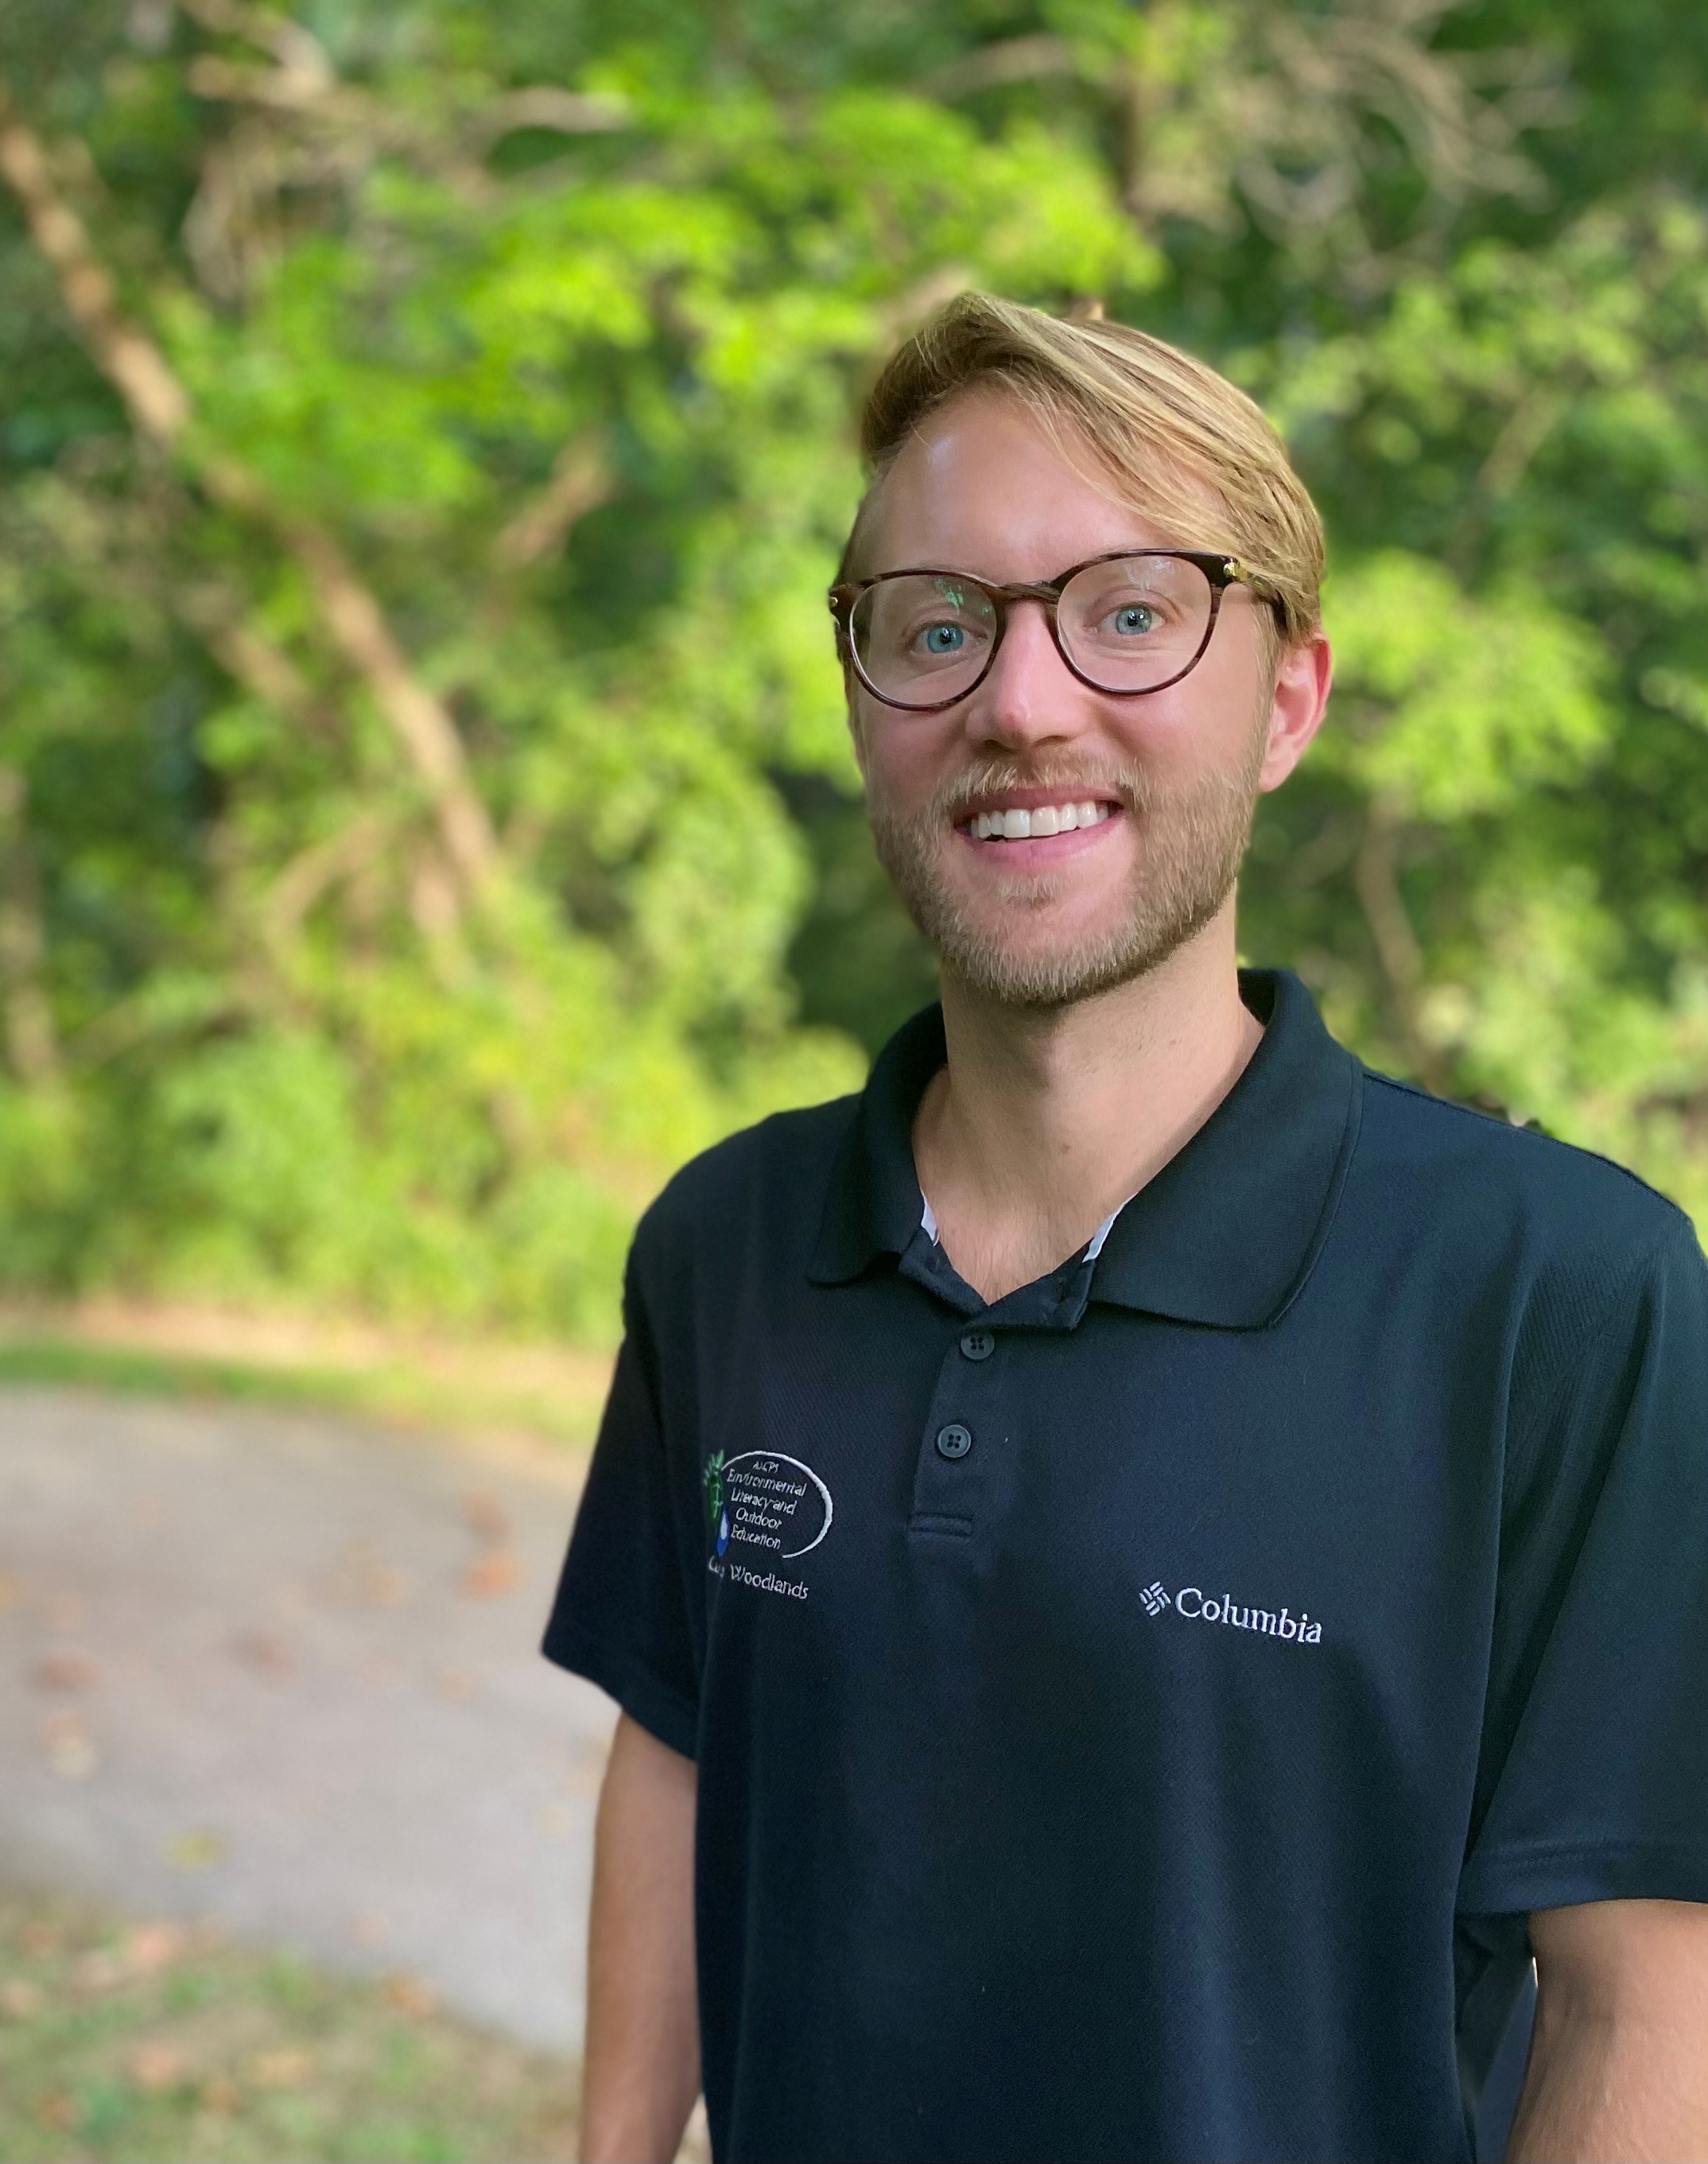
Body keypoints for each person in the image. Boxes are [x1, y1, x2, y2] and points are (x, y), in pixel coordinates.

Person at [542, 291, 1708, 2164]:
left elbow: (1651, 1989)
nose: (1020, 701)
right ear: (860, 701)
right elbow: (685, 1750)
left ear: (1290, 700)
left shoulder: (1560, 1294)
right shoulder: (729, 1243)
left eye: (1133, 613)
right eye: (936, 626)